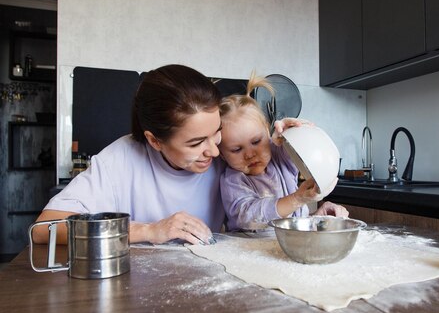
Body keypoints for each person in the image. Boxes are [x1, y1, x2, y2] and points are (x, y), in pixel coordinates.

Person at [32, 64, 225, 245]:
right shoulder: (119, 160)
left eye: (217, 131)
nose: (214, 151)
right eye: (197, 143)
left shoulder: (228, 150)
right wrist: (148, 231)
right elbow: (43, 229)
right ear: (155, 141)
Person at [218, 72, 349, 231]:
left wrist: (293, 132)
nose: (250, 154)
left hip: (291, 244)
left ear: (267, 131)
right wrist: (296, 199)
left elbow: (302, 148)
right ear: (223, 155)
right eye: (237, 149)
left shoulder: (279, 156)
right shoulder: (233, 180)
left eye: (256, 141)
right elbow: (248, 217)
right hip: (250, 248)